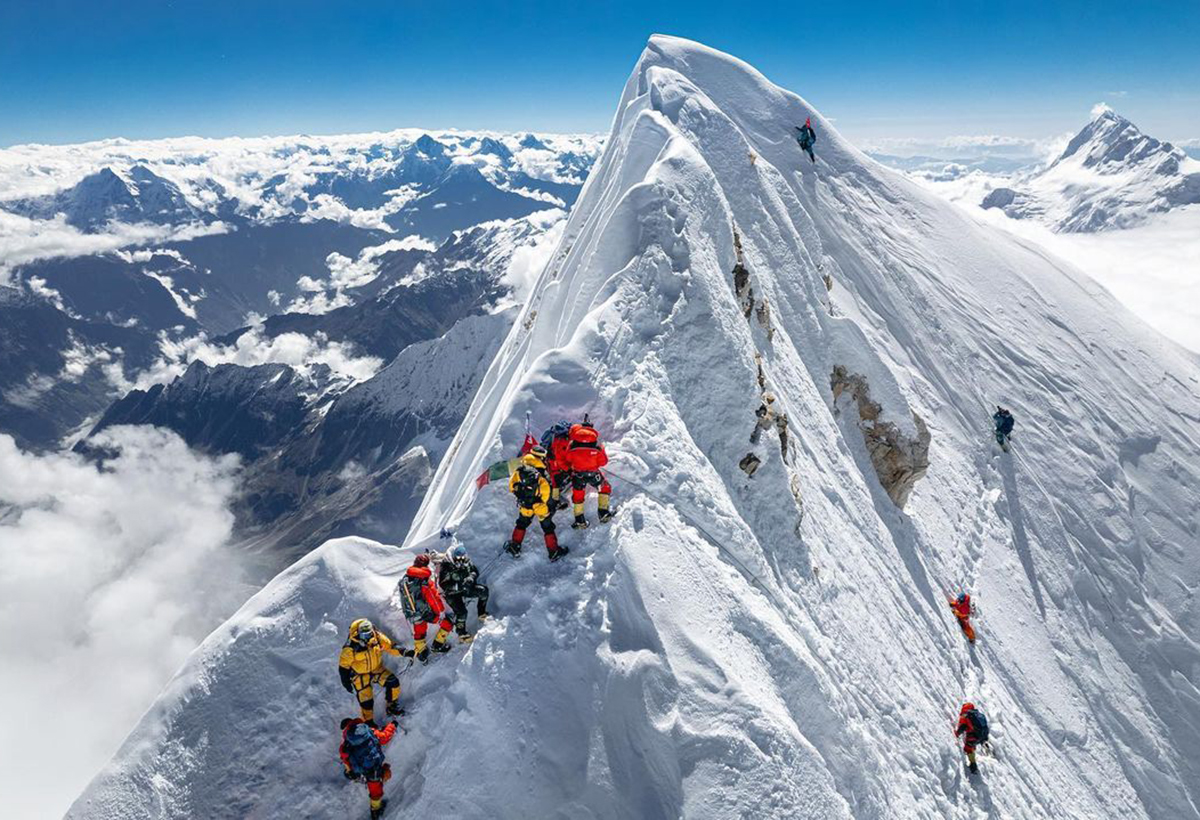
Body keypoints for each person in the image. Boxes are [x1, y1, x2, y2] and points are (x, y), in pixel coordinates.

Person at [339, 619, 410, 724]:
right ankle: (369, 722)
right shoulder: (350, 647)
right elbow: (343, 666)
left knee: (393, 682)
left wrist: (404, 652)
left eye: (369, 633)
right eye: (365, 635)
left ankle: (391, 706)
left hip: (377, 669)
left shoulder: (376, 637)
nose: (368, 637)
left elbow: (390, 646)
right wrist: (346, 682)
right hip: (360, 675)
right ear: (358, 633)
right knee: (366, 701)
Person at [506, 446, 568, 560]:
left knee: (521, 524)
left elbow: (511, 486)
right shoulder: (542, 473)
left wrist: (522, 496)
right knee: (548, 528)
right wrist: (546, 504)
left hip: (525, 505)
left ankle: (515, 545)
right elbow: (546, 491)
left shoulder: (520, 469)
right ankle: (553, 552)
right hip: (540, 506)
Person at [398, 553, 455, 661]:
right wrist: (441, 612)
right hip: (426, 613)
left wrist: (409, 612)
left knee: (419, 632)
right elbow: (434, 599)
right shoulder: (424, 581)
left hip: (412, 613)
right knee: (447, 623)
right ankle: (437, 646)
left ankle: (422, 653)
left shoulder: (404, 580)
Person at [339, 717, 397, 819]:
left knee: (372, 785)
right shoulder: (369, 731)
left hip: (362, 771)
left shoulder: (345, 746)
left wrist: (351, 772)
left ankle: (375, 812)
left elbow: (345, 760)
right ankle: (375, 811)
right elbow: (384, 737)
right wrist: (392, 725)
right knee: (376, 792)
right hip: (375, 768)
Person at [564, 418, 613, 530]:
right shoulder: (597, 445)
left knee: (578, 496)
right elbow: (603, 462)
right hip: (593, 474)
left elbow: (568, 458)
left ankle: (579, 520)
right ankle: (603, 512)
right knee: (604, 488)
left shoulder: (572, 445)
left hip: (578, 476)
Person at [438, 544, 490, 642]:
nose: (461, 559)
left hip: (466, 589)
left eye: (462, 556)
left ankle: (481, 613)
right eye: (458, 557)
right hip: (452, 594)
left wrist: (471, 578)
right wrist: (458, 586)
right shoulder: (447, 565)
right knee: (462, 613)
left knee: (483, 591)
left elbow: (474, 571)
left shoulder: (466, 562)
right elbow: (443, 584)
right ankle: (461, 633)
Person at [540, 420, 574, 511]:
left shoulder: (552, 435)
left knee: (555, 482)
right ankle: (556, 500)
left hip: (552, 464)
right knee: (556, 483)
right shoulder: (561, 440)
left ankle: (555, 500)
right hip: (556, 464)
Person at [955, 702, 989, 774]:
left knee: (968, 748)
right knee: (971, 747)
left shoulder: (967, 715)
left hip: (973, 736)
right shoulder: (979, 715)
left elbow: (963, 727)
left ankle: (973, 767)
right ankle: (974, 761)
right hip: (981, 736)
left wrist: (957, 733)